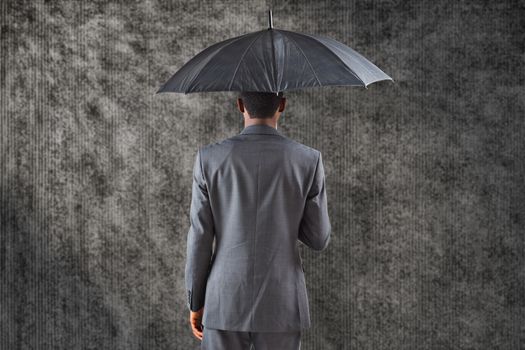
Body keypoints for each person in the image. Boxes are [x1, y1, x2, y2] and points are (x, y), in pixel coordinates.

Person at [185, 91, 331, 350]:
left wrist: (195, 302)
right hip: (282, 302)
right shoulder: (309, 159)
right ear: (282, 104)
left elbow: (200, 239)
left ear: (240, 105)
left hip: (224, 300)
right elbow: (318, 239)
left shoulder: (208, 158)